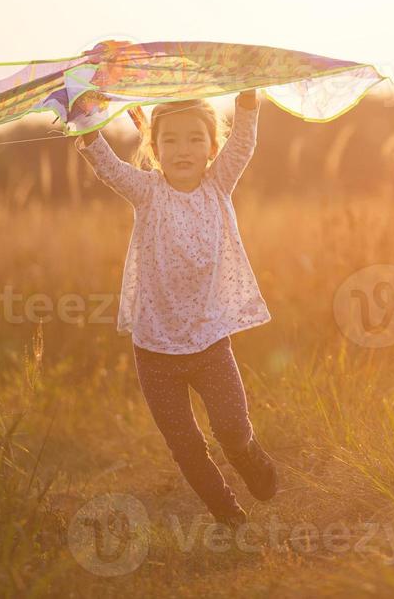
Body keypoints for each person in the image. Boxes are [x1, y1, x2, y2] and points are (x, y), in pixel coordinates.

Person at [74, 89, 277, 527]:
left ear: (211, 148)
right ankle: (227, 512)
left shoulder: (218, 183)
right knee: (184, 443)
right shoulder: (146, 192)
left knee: (231, 427)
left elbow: (244, 142)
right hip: (155, 349)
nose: (182, 150)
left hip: (209, 342)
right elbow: (107, 166)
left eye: (193, 140)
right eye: (171, 141)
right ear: (155, 148)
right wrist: (86, 122)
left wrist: (246, 100)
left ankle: (249, 457)